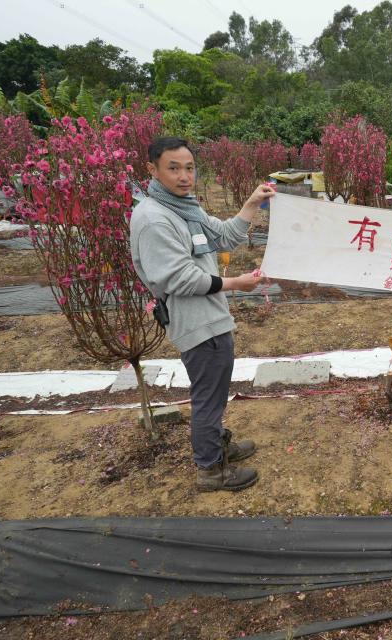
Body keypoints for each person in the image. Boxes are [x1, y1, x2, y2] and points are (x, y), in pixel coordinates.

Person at [130, 137, 275, 492]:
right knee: (208, 396)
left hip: (210, 317)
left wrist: (251, 203)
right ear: (153, 169)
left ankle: (216, 446)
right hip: (196, 323)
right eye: (173, 168)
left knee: (215, 389)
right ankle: (210, 469)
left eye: (189, 168)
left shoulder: (184, 209)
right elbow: (178, 277)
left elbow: (222, 237)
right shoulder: (153, 219)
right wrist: (235, 283)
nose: (184, 176)